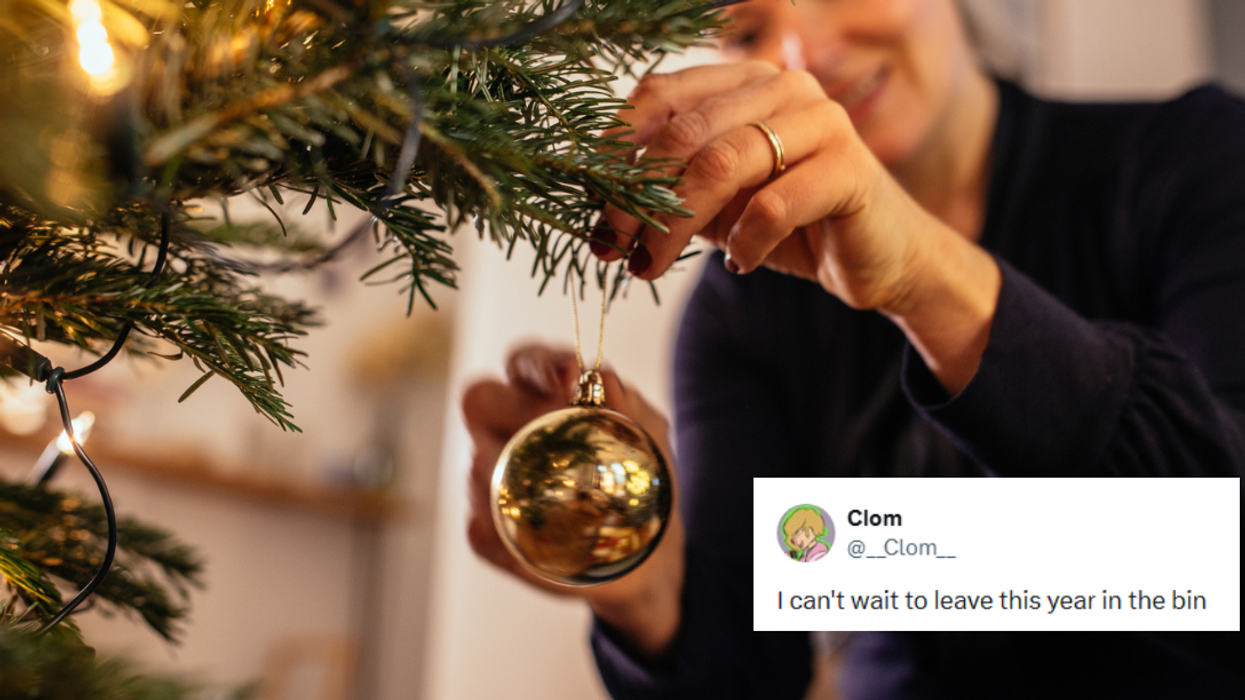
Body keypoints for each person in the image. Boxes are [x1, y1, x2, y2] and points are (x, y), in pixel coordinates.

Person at [462, 0, 1245, 697]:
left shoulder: (1189, 160)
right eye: (746, 29)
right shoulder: (741, 303)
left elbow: (1224, 562)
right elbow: (747, 665)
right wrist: (647, 591)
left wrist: (919, 276)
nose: (807, 50)